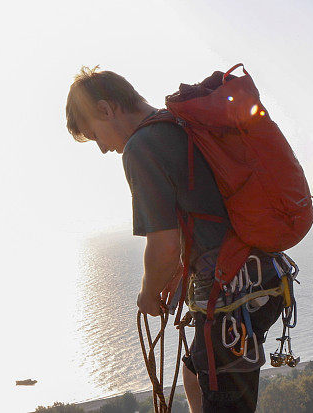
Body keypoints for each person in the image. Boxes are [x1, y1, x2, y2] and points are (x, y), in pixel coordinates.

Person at [65, 66, 274, 412]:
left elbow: (164, 244)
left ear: (106, 109)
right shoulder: (175, 124)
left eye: (96, 135)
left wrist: (148, 294)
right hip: (259, 278)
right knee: (194, 374)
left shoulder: (140, 148)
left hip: (232, 294)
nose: (102, 149)